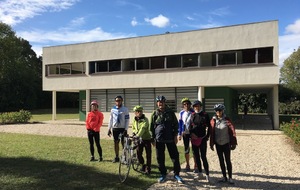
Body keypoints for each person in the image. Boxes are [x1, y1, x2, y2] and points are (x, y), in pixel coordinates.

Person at [150, 95, 184, 183]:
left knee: (175, 157)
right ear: (157, 103)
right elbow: (151, 127)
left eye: (162, 101)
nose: (160, 103)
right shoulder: (154, 113)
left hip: (170, 138)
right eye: (159, 102)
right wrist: (152, 139)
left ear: (165, 102)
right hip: (159, 139)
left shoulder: (170, 112)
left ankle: (176, 174)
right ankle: (163, 174)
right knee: (160, 157)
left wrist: (175, 136)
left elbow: (176, 125)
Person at [210, 104, 237, 184]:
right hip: (218, 143)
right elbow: (211, 132)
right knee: (221, 160)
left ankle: (230, 177)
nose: (218, 112)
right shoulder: (213, 120)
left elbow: (232, 131)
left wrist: (234, 143)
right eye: (217, 110)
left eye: (220, 110)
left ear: (223, 111)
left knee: (228, 160)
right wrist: (211, 143)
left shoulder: (227, 120)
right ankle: (224, 177)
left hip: (226, 143)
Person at [189, 100, 210, 182]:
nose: (196, 108)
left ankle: (207, 174)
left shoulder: (205, 115)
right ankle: (200, 173)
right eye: (195, 106)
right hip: (194, 140)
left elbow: (209, 127)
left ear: (200, 106)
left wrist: (207, 136)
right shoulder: (192, 115)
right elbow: (190, 126)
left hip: (202, 139)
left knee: (203, 157)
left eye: (198, 106)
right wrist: (191, 134)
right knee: (196, 157)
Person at [107, 95, 130, 163]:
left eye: (119, 100)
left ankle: (124, 157)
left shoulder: (125, 109)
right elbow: (111, 119)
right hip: (115, 128)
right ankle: (116, 157)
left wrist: (126, 129)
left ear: (122, 101)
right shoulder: (112, 109)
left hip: (122, 128)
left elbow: (127, 120)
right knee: (116, 143)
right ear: (115, 102)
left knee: (123, 143)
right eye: (116, 101)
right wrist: (109, 128)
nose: (118, 102)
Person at [132, 105, 152, 174]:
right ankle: (143, 165)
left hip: (146, 138)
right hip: (139, 139)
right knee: (138, 153)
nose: (139, 113)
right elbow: (133, 128)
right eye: (137, 111)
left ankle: (148, 168)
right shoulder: (134, 120)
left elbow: (143, 129)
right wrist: (134, 133)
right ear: (135, 112)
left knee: (148, 154)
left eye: (140, 111)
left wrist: (138, 135)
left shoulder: (145, 119)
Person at [177, 97, 196, 172]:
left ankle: (196, 165)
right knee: (186, 149)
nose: (186, 105)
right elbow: (180, 123)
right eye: (184, 104)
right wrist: (179, 134)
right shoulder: (181, 113)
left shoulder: (193, 112)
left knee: (195, 150)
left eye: (188, 104)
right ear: (182, 105)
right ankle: (187, 164)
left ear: (190, 104)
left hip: (193, 133)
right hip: (185, 133)